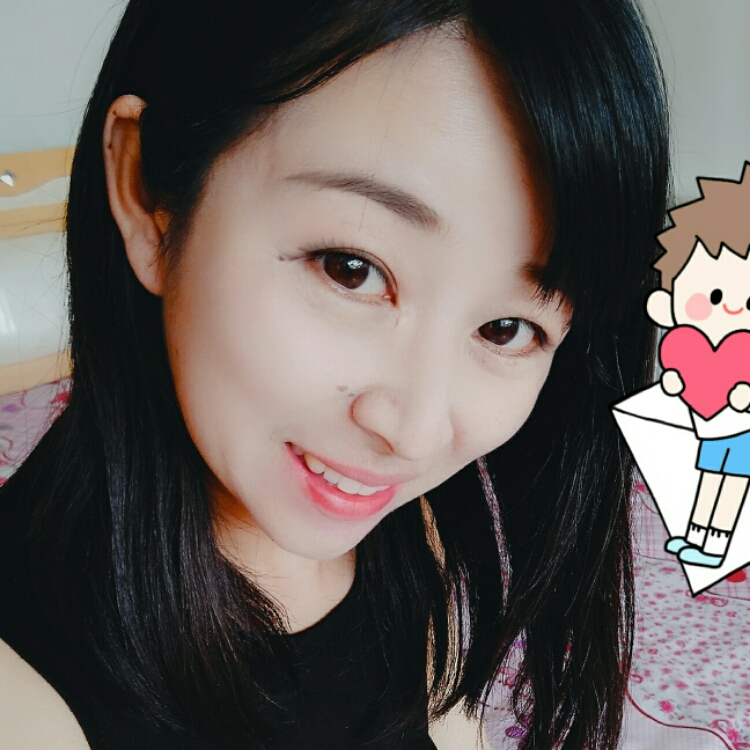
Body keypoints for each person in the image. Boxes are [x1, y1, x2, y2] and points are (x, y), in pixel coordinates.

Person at [0, 0, 670, 748]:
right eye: (351, 269)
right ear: (147, 191)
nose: (414, 434)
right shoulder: (26, 699)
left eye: (506, 329)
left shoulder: (410, 537)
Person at [649, 164, 750, 568]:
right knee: (708, 480)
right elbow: (678, 375)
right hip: (708, 426)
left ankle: (717, 545)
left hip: (740, 432)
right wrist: (675, 382)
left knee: (731, 486)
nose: (731, 308)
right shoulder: (680, 341)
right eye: (714, 295)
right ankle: (695, 534)